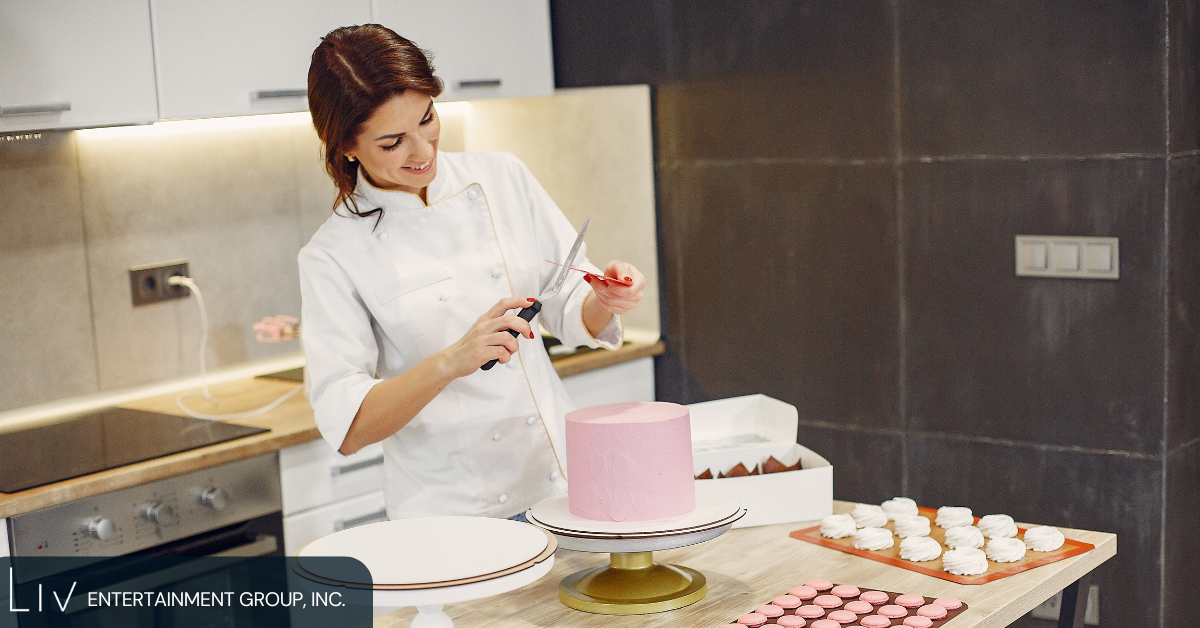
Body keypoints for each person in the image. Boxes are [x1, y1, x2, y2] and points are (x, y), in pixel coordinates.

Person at [298, 24, 646, 521]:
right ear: (346, 146)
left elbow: (567, 300)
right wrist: (451, 361)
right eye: (393, 142)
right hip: (454, 515)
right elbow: (349, 426)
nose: (422, 151)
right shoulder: (332, 255)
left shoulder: (501, 176)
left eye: (427, 119)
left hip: (560, 484)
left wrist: (604, 298)